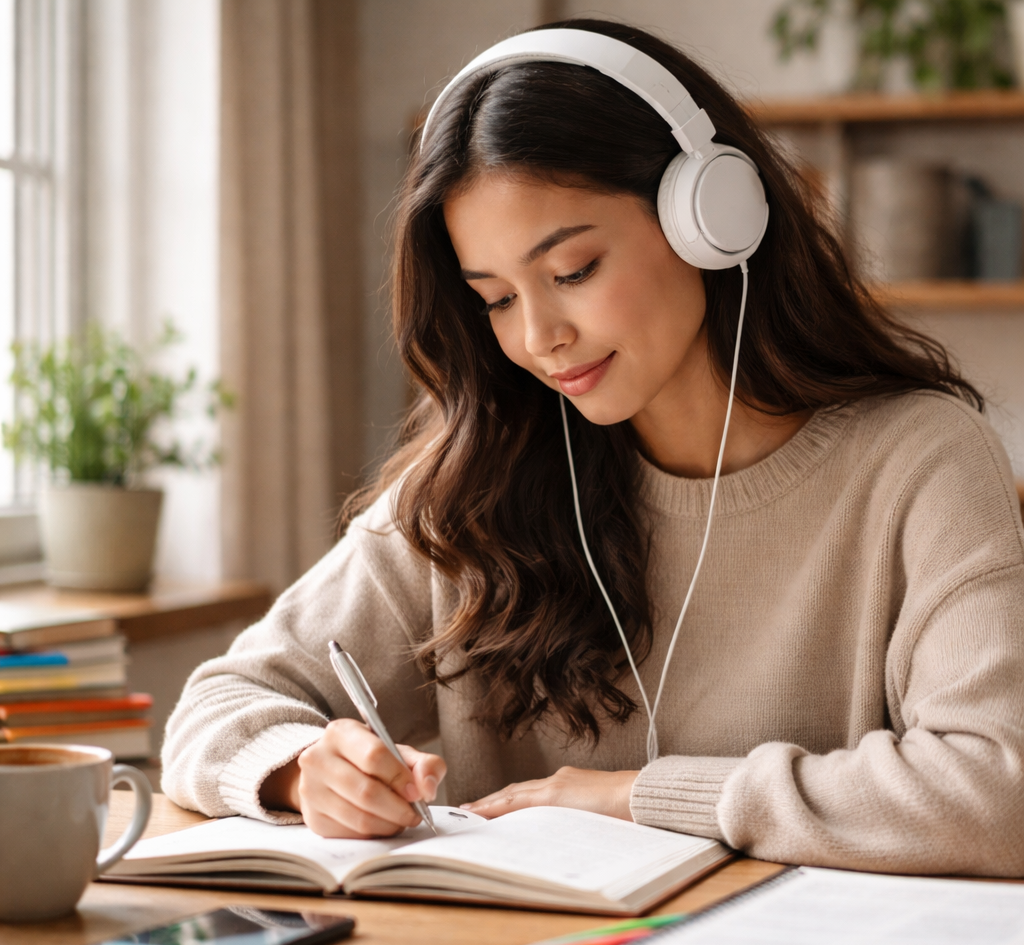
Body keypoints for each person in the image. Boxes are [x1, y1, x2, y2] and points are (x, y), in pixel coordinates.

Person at [162, 19, 1024, 876]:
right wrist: (297, 769)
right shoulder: (477, 477)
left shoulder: (920, 461)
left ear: (712, 216)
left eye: (572, 272)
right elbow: (217, 704)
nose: (540, 338)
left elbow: (998, 794)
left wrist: (641, 795)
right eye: (496, 298)